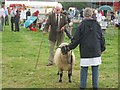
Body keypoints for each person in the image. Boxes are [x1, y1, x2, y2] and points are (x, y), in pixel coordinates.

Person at [61, 7, 106, 89]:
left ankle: (82, 86)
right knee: (95, 69)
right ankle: (95, 86)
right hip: (96, 50)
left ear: (83, 14)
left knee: (84, 69)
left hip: (85, 50)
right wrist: (102, 48)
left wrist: (69, 48)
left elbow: (76, 40)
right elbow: (102, 38)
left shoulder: (81, 25)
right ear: (91, 14)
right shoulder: (97, 24)